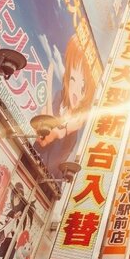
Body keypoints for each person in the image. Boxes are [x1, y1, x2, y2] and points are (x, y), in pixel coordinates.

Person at [34, 35, 97, 178]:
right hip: (33, 157)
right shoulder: (60, 96)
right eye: (73, 79)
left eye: (83, 88)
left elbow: (64, 129)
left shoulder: (78, 119)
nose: (75, 92)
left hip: (46, 178)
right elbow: (46, 112)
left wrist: (54, 132)